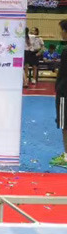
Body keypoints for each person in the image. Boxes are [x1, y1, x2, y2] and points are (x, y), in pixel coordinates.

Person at [50, 20, 67, 168]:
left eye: (62, 30)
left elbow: (62, 74)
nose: (61, 33)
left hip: (64, 93)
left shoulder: (66, 52)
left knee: (65, 124)